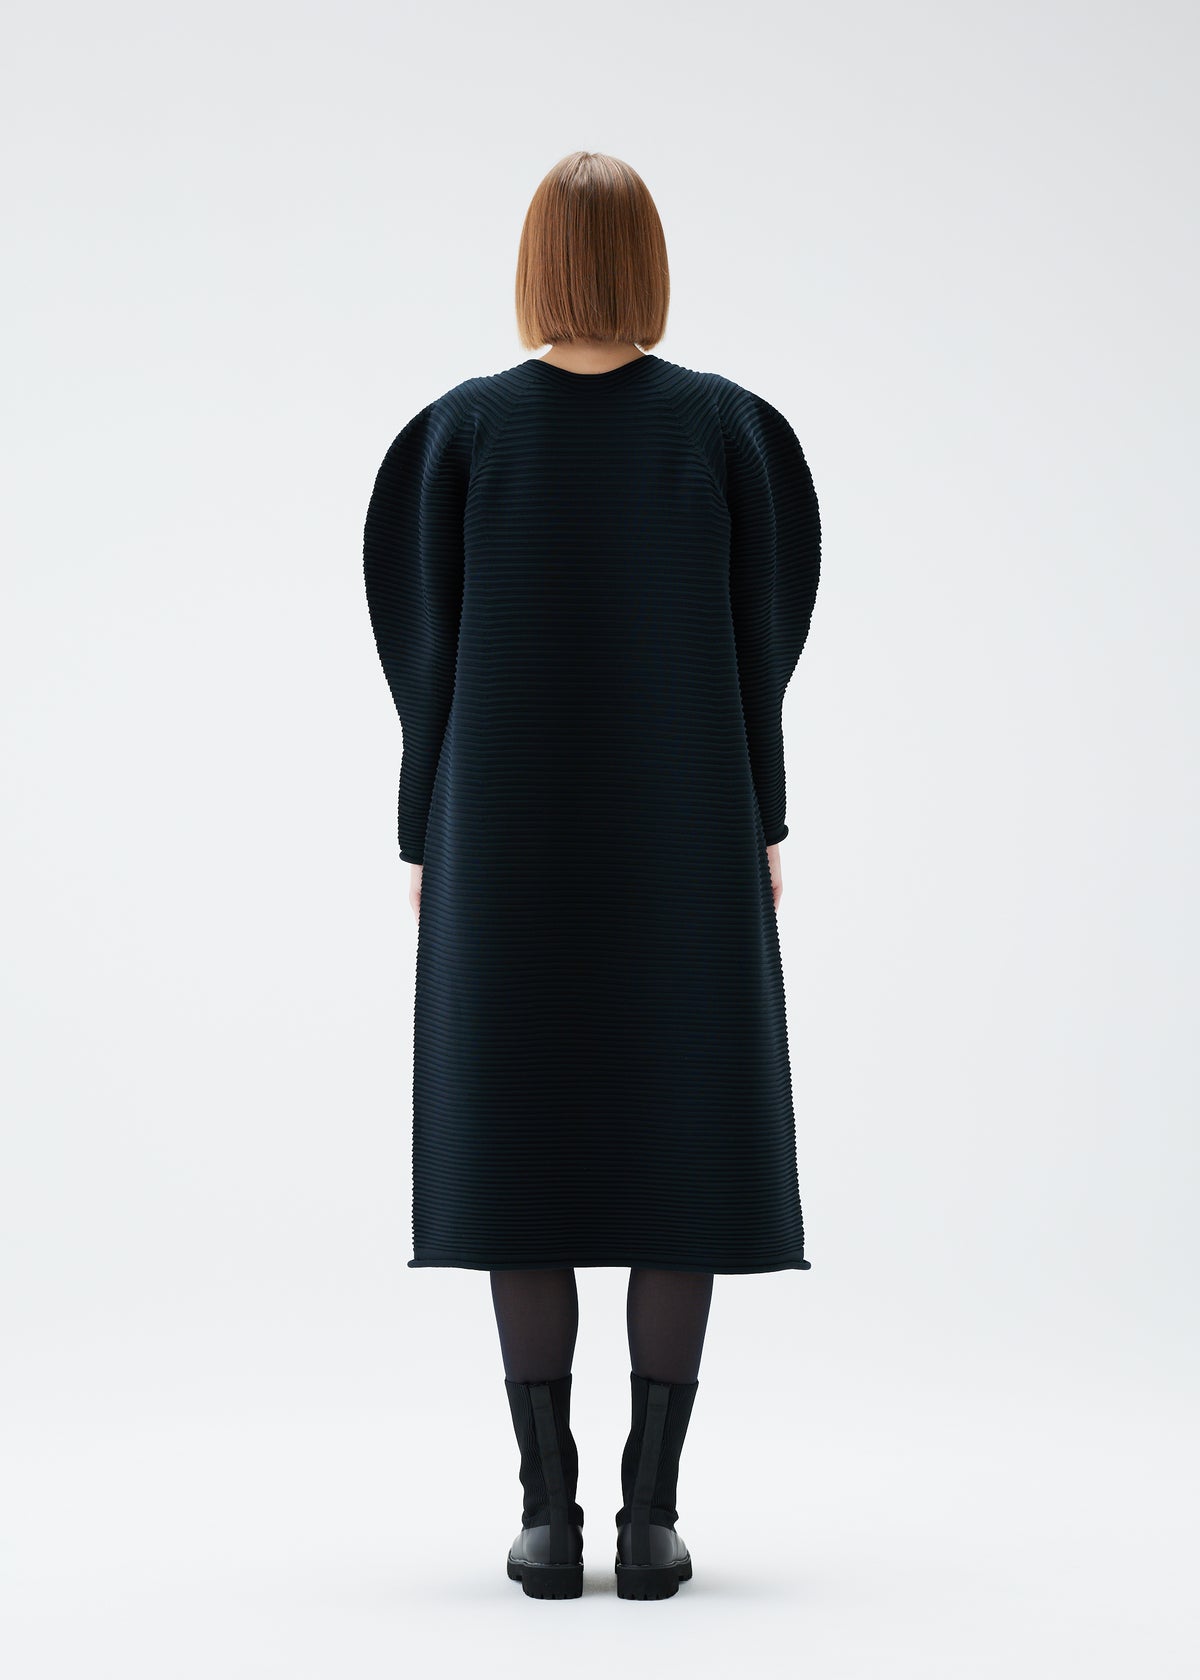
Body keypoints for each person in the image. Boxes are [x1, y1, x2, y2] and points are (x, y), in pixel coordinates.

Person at [362, 150, 822, 1602]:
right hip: (686, 832)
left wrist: (424, 830)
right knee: (684, 1146)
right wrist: (762, 818)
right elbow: (762, 643)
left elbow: (423, 653)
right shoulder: (730, 432)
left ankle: (546, 1515)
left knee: (522, 1154)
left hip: (505, 846)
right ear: (649, 263)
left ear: (534, 265)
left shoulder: (459, 435)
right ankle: (653, 1516)